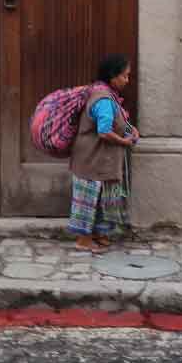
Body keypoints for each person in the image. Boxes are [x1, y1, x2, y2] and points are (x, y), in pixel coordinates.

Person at [68, 54, 140, 253]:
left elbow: (117, 123)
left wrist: (130, 130)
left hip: (96, 159)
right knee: (88, 199)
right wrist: (125, 140)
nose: (127, 80)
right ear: (112, 76)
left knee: (100, 199)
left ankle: (98, 234)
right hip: (92, 159)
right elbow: (104, 131)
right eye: (125, 76)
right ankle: (83, 240)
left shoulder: (105, 95)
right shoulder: (104, 100)